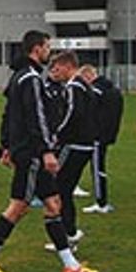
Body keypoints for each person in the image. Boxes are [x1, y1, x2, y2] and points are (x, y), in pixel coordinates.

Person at [0, 30, 99, 272]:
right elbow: (35, 118)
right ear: (36, 48)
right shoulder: (30, 78)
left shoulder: (20, 76)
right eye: (47, 47)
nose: (49, 52)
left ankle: (70, 265)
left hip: (26, 150)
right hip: (31, 154)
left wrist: (7, 145)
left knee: (54, 205)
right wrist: (46, 151)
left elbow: (9, 115)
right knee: (17, 207)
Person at [44, 51, 92, 252]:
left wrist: (56, 136)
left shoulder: (73, 87)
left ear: (67, 66)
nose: (56, 72)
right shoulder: (84, 85)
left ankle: (69, 235)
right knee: (65, 188)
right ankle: (69, 234)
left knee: (60, 188)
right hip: (85, 144)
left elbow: (72, 114)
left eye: (58, 68)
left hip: (74, 145)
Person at [78, 64, 122, 214]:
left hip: (97, 136)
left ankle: (101, 203)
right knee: (97, 167)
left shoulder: (96, 91)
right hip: (108, 134)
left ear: (88, 76)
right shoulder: (113, 90)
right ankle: (99, 199)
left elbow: (88, 111)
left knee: (97, 169)